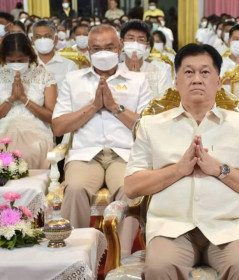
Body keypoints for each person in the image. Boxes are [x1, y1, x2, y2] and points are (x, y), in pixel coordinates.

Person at [124, 43, 239, 280]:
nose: (196, 79)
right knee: (158, 269)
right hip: (171, 229)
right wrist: (178, 170)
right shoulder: (152, 126)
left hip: (227, 229)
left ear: (218, 81)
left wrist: (220, 170)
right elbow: (131, 187)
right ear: (176, 81)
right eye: (188, 72)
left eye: (205, 72)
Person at [52, 24, 152, 256]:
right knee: (75, 189)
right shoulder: (73, 79)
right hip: (85, 154)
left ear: (119, 49)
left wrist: (115, 108)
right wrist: (94, 107)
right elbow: (58, 125)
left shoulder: (138, 81)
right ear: (88, 51)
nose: (103, 53)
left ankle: (122, 257)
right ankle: (74, 256)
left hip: (124, 153)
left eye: (109, 47)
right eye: (96, 49)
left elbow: (147, 126)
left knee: (130, 191)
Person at [0, 33, 57, 168]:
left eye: (20, 60)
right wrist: (12, 99)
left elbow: (52, 116)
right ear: (4, 59)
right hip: (3, 128)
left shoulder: (44, 76)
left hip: (36, 130)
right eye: (11, 60)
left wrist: (24, 99)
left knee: (29, 151)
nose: (16, 64)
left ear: (29, 56)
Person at [121, 20, 173, 97]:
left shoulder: (161, 70)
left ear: (146, 45)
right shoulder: (114, 70)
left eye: (140, 39)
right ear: (121, 42)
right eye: (131, 38)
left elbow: (166, 103)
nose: (135, 43)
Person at [32, 20, 78, 90]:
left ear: (55, 39)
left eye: (47, 36)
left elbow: (74, 91)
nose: (43, 40)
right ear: (32, 40)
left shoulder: (69, 65)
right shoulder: (28, 65)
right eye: (38, 37)